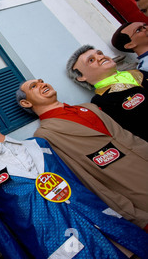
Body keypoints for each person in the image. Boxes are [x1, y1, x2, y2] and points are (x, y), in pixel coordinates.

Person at [0, 102, 148, 259]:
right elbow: (2, 235)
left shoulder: (39, 144)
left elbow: (75, 181)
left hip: (107, 224)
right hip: (62, 247)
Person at [17, 79, 148, 231]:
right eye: (34, 86)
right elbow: (86, 178)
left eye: (42, 81)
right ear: (26, 103)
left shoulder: (89, 107)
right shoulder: (46, 135)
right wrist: (132, 215)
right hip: (137, 192)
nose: (43, 84)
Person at [66, 45, 148, 141]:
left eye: (100, 53)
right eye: (91, 60)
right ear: (81, 77)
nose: (101, 57)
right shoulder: (101, 101)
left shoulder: (139, 72)